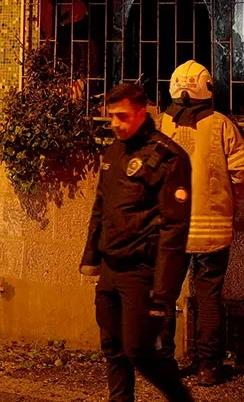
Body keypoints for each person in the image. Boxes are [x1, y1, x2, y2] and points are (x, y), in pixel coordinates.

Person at [81, 82, 194, 402]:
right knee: (113, 349)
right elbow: (101, 206)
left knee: (140, 350)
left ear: (141, 113)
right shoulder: (115, 151)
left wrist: (163, 294)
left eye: (122, 116)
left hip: (141, 272)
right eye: (111, 116)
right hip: (111, 268)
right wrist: (91, 257)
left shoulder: (168, 158)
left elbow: (175, 230)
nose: (115, 123)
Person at [157, 61, 244, 385]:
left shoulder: (163, 125)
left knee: (165, 296)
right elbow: (242, 170)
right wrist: (230, 198)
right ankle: (208, 367)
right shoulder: (221, 125)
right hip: (213, 228)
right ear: (207, 88)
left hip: (171, 228)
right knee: (209, 296)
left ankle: (163, 363)